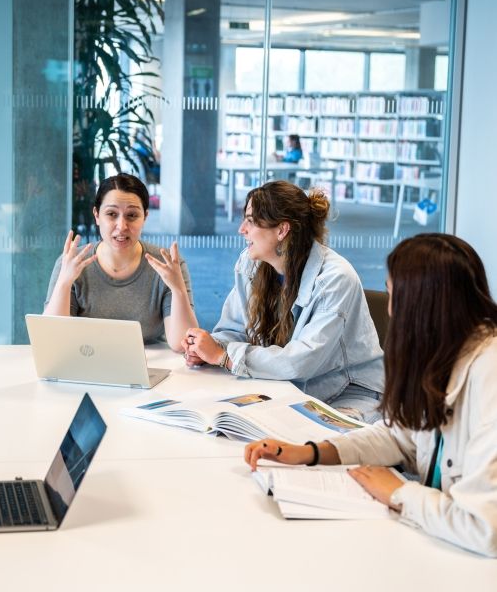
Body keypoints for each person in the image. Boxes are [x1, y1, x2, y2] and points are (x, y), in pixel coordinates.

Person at [244, 233, 497, 557]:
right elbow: (400, 436)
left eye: (394, 296)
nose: (391, 311)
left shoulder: (488, 372)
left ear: (422, 307)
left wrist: (399, 493)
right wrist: (312, 454)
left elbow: (484, 527)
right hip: (438, 545)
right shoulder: (445, 351)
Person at [183, 180, 384, 423]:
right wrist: (209, 348)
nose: (241, 229)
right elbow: (233, 330)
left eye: (251, 220)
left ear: (281, 230)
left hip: (347, 394)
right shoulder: (251, 263)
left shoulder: (336, 278)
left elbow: (302, 361)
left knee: (301, 441)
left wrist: (225, 357)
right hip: (289, 387)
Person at [44, 173, 198, 351]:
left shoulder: (168, 266)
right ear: (96, 215)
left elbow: (182, 343)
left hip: (152, 364)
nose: (122, 226)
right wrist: (64, 282)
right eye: (111, 214)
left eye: (132, 215)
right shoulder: (71, 262)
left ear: (145, 217)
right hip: (86, 362)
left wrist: (178, 290)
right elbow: (53, 338)